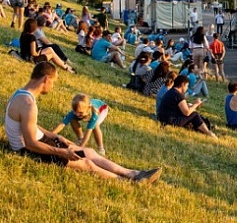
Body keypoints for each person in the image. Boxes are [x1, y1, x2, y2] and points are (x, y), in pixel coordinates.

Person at [4, 61, 162, 183]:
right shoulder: (28, 104)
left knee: (89, 152)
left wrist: (54, 136)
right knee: (87, 163)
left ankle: (134, 174)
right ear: (46, 79)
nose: (52, 86)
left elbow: (29, 125)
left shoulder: (21, 95)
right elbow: (31, 143)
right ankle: (126, 183)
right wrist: (62, 152)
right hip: (29, 150)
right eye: (53, 82)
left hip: (40, 141)